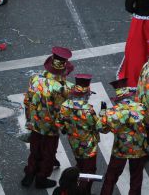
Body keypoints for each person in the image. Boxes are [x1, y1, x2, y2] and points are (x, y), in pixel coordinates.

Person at [22, 47, 74, 189]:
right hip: (52, 127)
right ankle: (41, 178)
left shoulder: (35, 79)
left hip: (35, 123)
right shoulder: (66, 88)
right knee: (48, 153)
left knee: (35, 149)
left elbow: (27, 101)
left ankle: (29, 174)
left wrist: (29, 119)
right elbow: (66, 111)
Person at [97, 78, 149, 195]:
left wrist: (102, 112)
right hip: (138, 148)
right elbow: (147, 123)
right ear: (129, 95)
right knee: (136, 177)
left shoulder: (111, 112)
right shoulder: (141, 107)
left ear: (117, 99)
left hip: (120, 149)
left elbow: (101, 128)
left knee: (111, 176)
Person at [57, 74, 99, 195]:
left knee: (80, 164)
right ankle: (83, 192)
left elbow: (59, 122)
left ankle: (77, 186)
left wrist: (67, 128)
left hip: (73, 142)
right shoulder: (88, 110)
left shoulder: (65, 106)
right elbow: (99, 126)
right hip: (88, 145)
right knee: (90, 171)